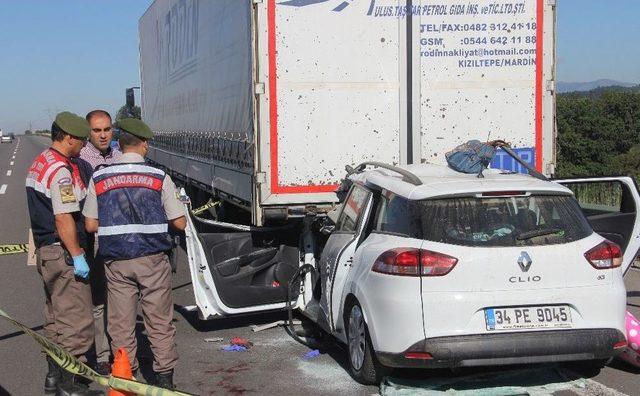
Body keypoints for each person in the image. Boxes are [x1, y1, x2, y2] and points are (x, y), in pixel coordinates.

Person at [83, 118, 186, 389]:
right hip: (152, 259)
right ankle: (165, 381)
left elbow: (91, 224)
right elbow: (180, 223)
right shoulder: (159, 177)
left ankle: (125, 378)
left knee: (120, 324)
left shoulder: (100, 177)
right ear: (144, 145)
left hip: (116, 260)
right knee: (159, 321)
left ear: (119, 143)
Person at [25, 112, 99, 395]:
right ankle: (72, 387)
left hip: (46, 251)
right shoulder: (60, 171)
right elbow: (64, 218)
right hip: (63, 252)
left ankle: (54, 377)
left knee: (55, 319)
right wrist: (77, 254)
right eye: (81, 140)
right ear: (68, 138)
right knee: (76, 323)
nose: (83, 145)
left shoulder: (41, 161)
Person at [78, 109, 122, 375]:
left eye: (107, 129)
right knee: (98, 301)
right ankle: (102, 354)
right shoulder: (81, 159)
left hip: (119, 237)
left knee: (121, 297)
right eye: (97, 130)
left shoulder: (120, 157)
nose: (103, 135)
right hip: (94, 238)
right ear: (88, 132)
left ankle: (122, 349)